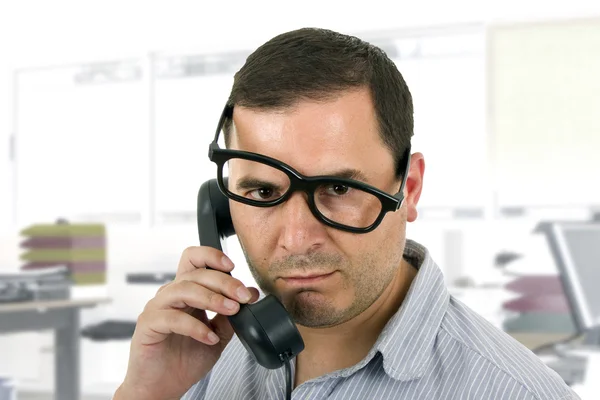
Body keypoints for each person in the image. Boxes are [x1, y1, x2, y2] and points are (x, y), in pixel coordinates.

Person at [114, 28, 579, 399]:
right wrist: (145, 395)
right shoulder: (201, 357)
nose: (296, 238)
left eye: (338, 188)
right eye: (260, 191)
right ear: (221, 209)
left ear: (409, 188)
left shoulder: (517, 392)